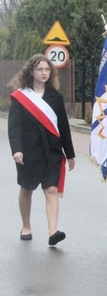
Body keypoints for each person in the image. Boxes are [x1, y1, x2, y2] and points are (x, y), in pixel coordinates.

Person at [8, 54, 75, 246]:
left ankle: (53, 232)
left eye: (47, 70)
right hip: (28, 151)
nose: (44, 73)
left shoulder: (55, 97)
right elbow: (14, 127)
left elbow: (63, 126)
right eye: (40, 69)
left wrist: (69, 154)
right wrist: (17, 150)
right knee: (27, 189)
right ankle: (26, 225)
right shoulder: (21, 97)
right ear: (31, 72)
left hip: (52, 150)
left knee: (51, 189)